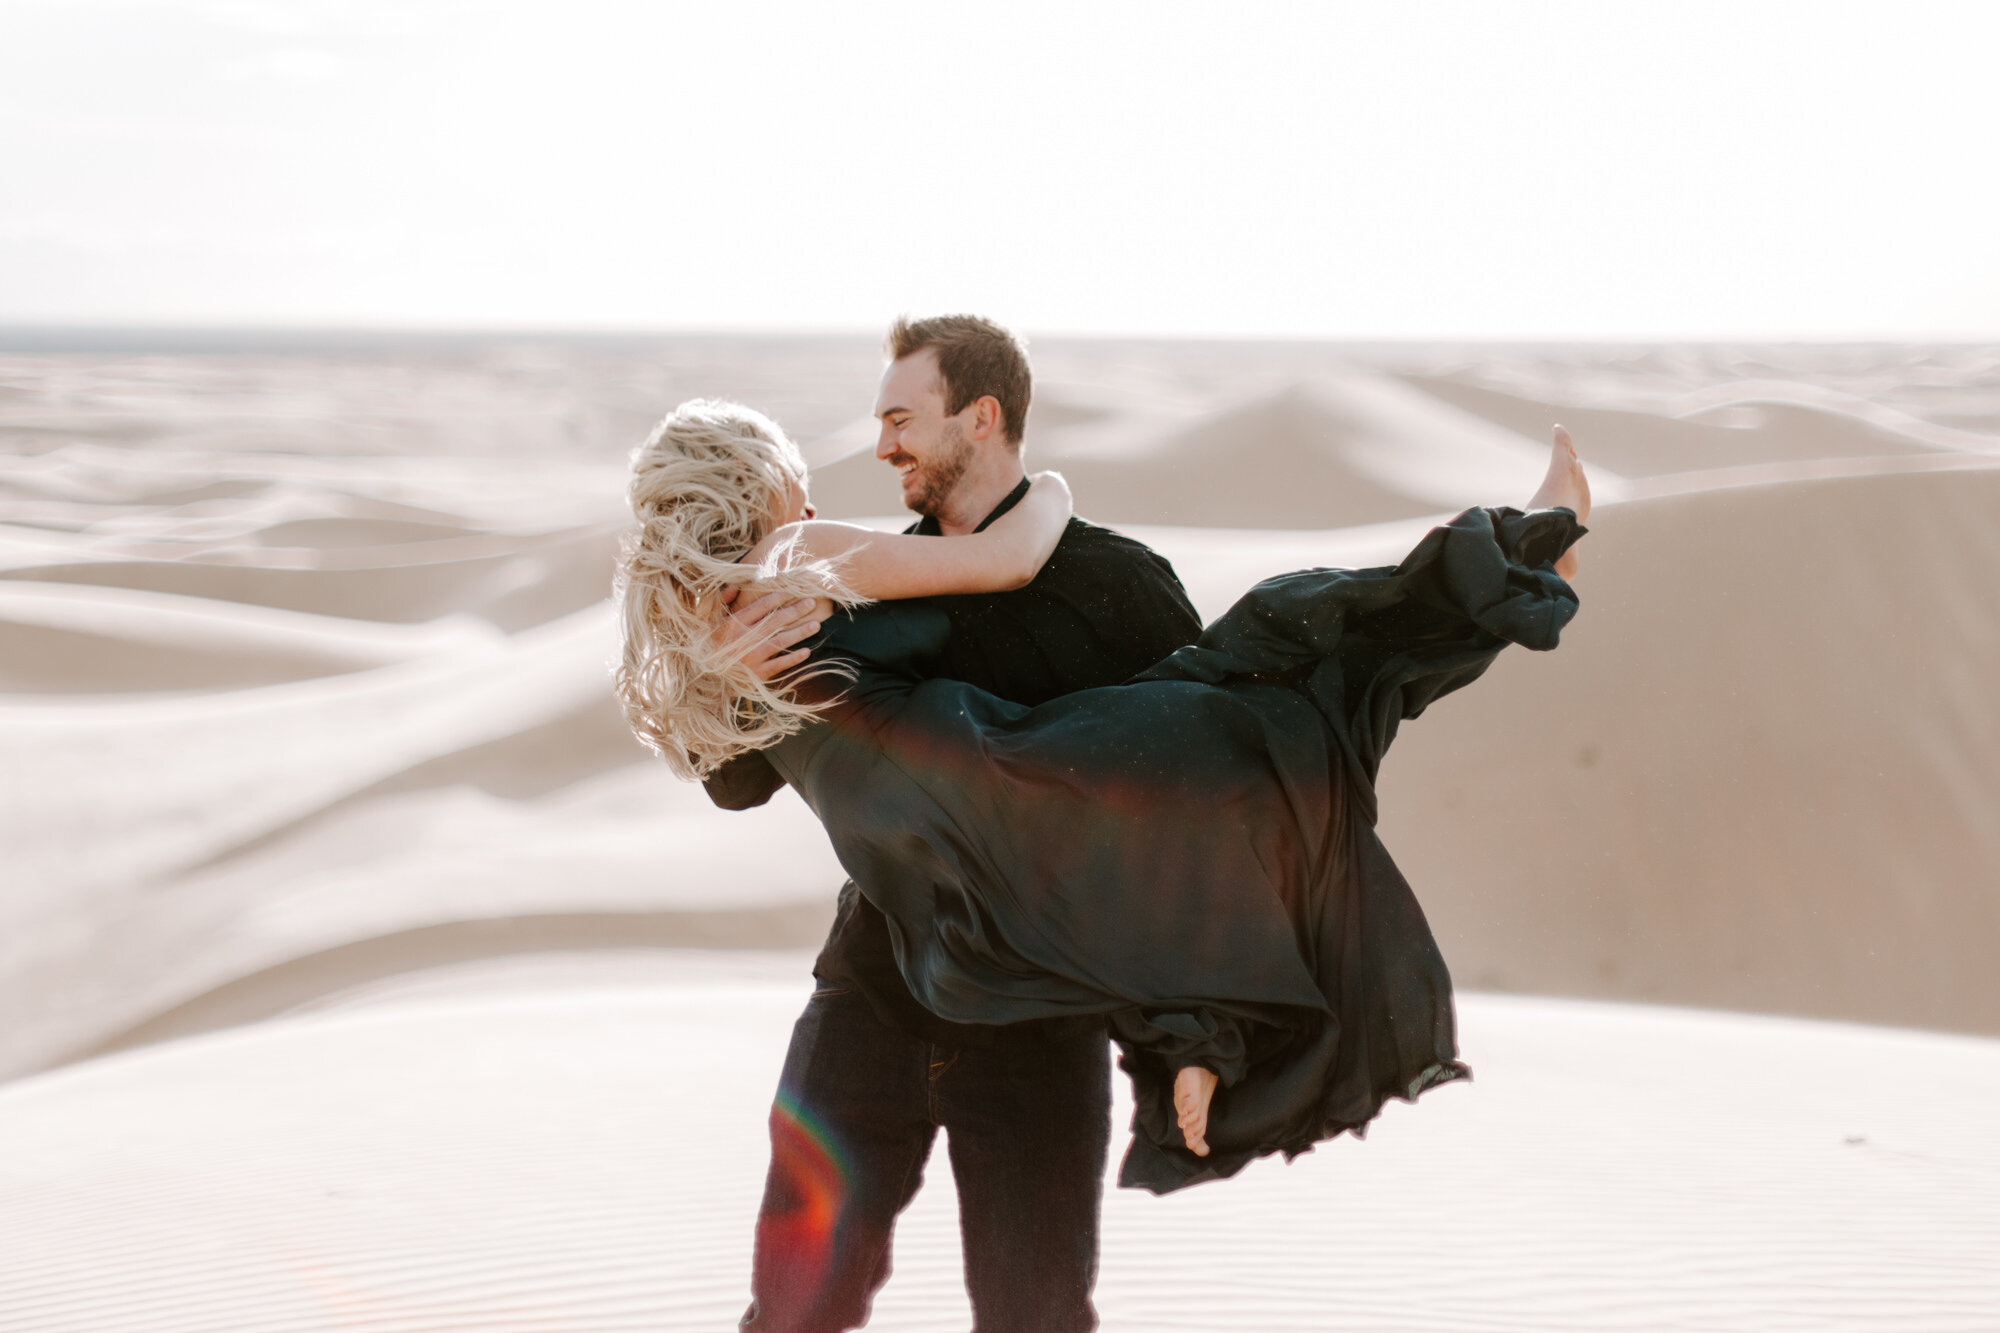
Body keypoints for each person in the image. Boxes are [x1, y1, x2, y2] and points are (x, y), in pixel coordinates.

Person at [617, 373, 1591, 1329]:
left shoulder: (696, 643)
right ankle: (1520, 557)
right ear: (754, 493)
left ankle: (1518, 565)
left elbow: (735, 772)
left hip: (983, 914)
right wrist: (1053, 490)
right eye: (795, 481)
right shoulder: (797, 555)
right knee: (1253, 697)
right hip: (994, 822)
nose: (820, 497)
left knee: (807, 1310)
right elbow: (1007, 559)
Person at [684, 316, 1205, 1332]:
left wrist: (1192, 1030)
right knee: (790, 1311)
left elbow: (1195, 814)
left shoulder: (1120, 590)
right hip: (865, 1007)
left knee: (1034, 1317)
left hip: (1037, 1028)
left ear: (981, 416)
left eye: (898, 418)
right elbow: (736, 784)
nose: (879, 446)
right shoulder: (849, 585)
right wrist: (728, 686)